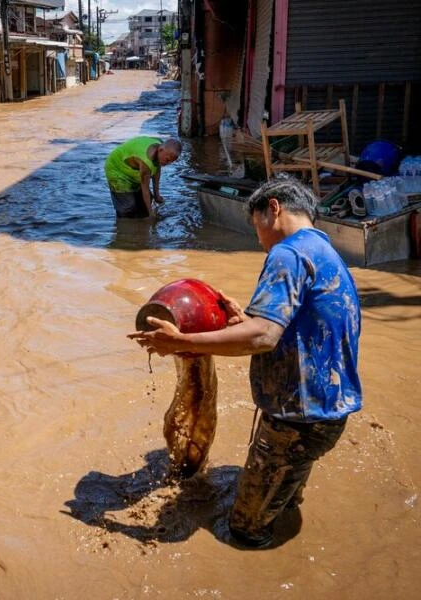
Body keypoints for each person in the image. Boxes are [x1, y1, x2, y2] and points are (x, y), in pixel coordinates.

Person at [128, 176, 362, 548]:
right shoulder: (324, 251)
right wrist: (248, 319)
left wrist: (181, 341)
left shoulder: (288, 253)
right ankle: (283, 514)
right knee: (285, 494)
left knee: (244, 529)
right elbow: (295, 326)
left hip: (296, 421)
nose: (258, 239)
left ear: (274, 208)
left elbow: (262, 337)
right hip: (328, 411)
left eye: (256, 227)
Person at [104, 137, 182, 218]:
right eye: (167, 160)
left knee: (145, 202)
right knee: (127, 206)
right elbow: (145, 189)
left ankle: (139, 221)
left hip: (131, 169)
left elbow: (157, 169)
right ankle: (122, 225)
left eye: (171, 162)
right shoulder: (145, 162)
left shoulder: (160, 147)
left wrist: (156, 195)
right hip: (116, 169)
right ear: (161, 150)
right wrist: (150, 214)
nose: (168, 163)